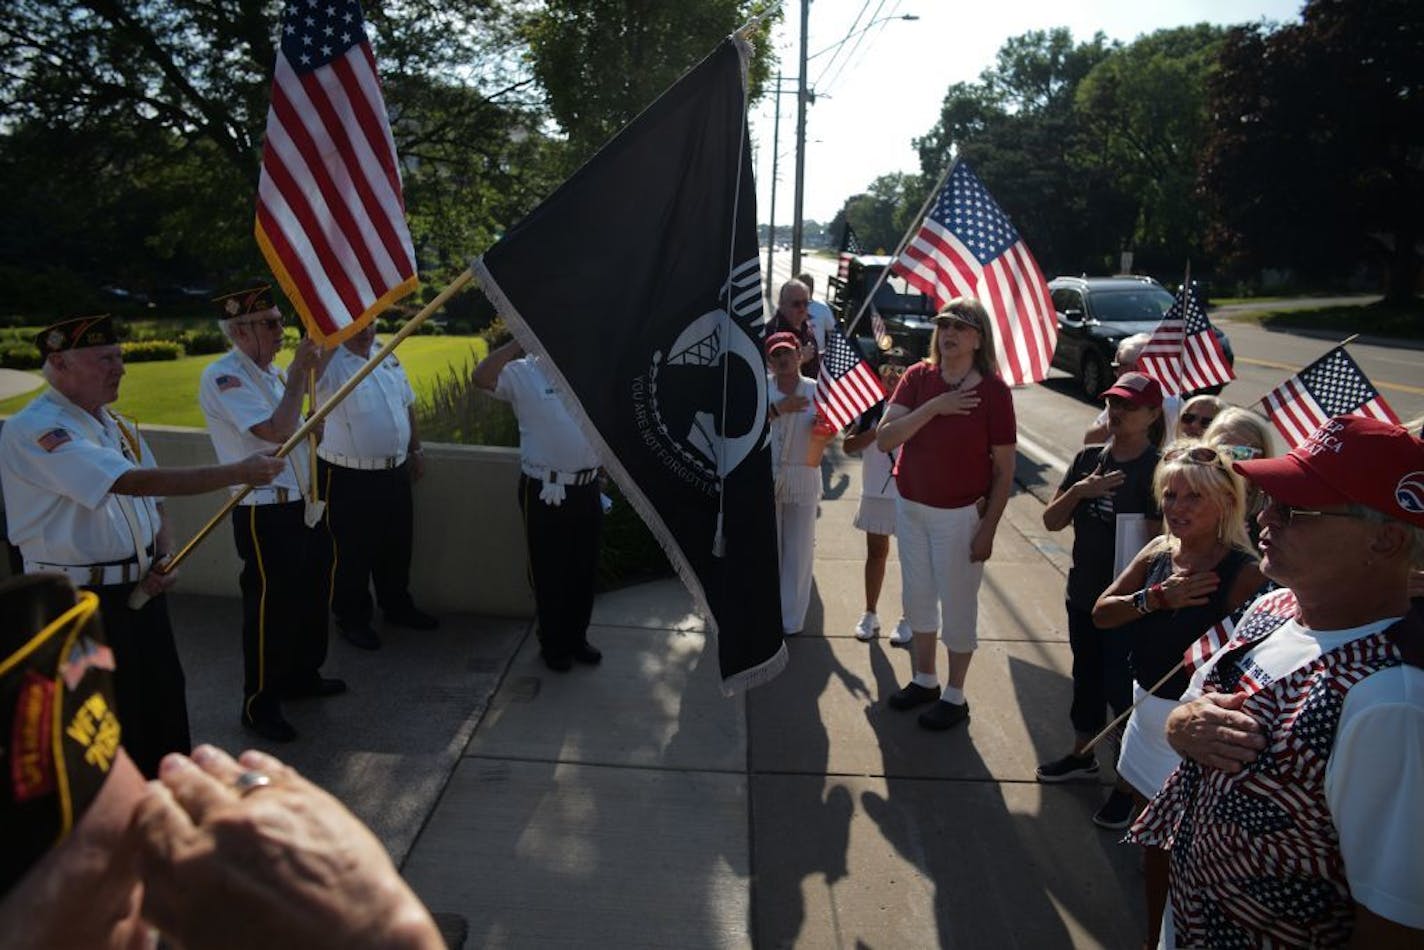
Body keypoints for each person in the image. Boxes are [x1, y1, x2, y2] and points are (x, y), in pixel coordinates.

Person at [1131, 416, 1424, 947]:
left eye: (1296, 510)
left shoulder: (1391, 702)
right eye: (1271, 499)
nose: (1266, 516)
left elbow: (1393, 925)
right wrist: (1180, 724)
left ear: (1384, 541)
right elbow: (1192, 705)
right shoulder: (1275, 605)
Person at [0, 314, 284, 775]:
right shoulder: (37, 429)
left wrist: (161, 555)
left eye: (120, 356)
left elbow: (154, 505)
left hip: (139, 592)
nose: (120, 367)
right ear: (58, 362)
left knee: (161, 700)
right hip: (78, 602)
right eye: (104, 358)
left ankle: (167, 802)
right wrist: (238, 472)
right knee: (98, 718)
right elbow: (132, 482)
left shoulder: (114, 426)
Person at [1091, 442, 1264, 946]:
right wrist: (1155, 599)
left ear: (1227, 505)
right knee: (1154, 855)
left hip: (1195, 738)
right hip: (1146, 717)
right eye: (1171, 495)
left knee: (1187, 859)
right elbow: (1103, 613)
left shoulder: (1245, 573)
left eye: (1194, 498)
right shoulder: (1157, 552)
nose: (1178, 508)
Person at [199, 286, 344, 743]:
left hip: (302, 503)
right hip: (265, 512)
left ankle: (302, 675)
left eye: (281, 322)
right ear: (240, 330)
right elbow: (275, 432)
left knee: (310, 595)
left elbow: (292, 428)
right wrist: (301, 375)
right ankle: (259, 702)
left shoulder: (271, 373)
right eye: (272, 323)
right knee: (270, 609)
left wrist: (306, 421)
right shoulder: (225, 377)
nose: (283, 332)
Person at [876, 297, 1016, 731]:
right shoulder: (919, 377)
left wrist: (988, 529)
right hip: (912, 507)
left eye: (960, 327)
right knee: (917, 597)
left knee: (957, 605)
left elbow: (1005, 469)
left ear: (978, 337)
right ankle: (925, 680)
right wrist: (935, 407)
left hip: (959, 516)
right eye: (944, 326)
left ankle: (955, 696)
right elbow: (884, 439)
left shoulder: (993, 391)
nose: (949, 334)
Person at [1036, 371, 1165, 829]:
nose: (1117, 412)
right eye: (1113, 403)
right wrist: (1081, 490)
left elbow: (1159, 547)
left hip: (1126, 606)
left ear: (1152, 415)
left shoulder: (1156, 471)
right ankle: (1082, 755)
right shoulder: (1088, 458)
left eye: (1129, 406)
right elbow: (1051, 520)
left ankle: (1127, 786)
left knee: (1121, 692)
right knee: (1085, 679)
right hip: (1082, 595)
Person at [474, 340, 603, 671]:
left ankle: (577, 638)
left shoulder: (589, 368)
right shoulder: (524, 371)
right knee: (549, 570)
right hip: (545, 490)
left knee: (583, 570)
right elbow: (480, 377)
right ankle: (554, 643)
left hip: (587, 487)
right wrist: (518, 340)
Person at [316, 321, 437, 650]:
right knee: (351, 553)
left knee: (397, 546)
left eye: (370, 322)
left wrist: (416, 449)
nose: (366, 330)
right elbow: (306, 381)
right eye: (356, 325)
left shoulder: (387, 353)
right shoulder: (330, 364)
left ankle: (397, 606)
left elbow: (407, 403)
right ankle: (352, 620)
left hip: (395, 470)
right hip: (348, 475)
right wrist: (328, 338)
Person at [765, 330, 833, 636]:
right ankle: (765, 612)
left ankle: (790, 619)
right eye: (776, 355)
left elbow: (831, 429)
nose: (782, 359)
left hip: (803, 475)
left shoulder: (816, 389)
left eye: (787, 353)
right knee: (769, 547)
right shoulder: (763, 388)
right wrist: (781, 408)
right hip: (768, 476)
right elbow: (746, 424)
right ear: (769, 360)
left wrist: (826, 429)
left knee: (799, 548)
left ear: (798, 354)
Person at [843, 350, 913, 645]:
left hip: (909, 491)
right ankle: (870, 614)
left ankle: (909, 618)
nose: (892, 375)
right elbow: (848, 446)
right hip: (875, 489)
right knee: (876, 553)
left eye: (900, 370)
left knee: (912, 559)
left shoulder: (916, 407)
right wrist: (875, 432)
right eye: (887, 368)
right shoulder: (869, 406)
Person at [1083, 334, 1180, 443]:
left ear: (1135, 368)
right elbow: (1090, 441)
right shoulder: (1120, 398)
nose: (1115, 373)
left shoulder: (1172, 405)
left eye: (1117, 367)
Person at [1204, 406, 1276, 549]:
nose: (1230, 462)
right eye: (1222, 451)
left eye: (1243, 453)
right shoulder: (1185, 494)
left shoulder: (1272, 512)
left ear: (1263, 457)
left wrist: (1244, 546)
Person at [769, 278, 820, 378]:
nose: (802, 308)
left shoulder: (806, 326)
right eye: (796, 304)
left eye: (806, 303)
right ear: (782, 303)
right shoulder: (773, 331)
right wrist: (800, 359)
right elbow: (771, 373)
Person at [795, 270, 835, 352]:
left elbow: (832, 333)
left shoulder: (822, 308)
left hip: (818, 357)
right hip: (796, 357)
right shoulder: (789, 308)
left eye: (809, 286)